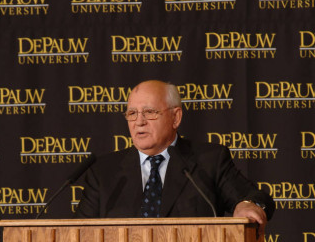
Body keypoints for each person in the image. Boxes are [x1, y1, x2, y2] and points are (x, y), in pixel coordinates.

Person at [77, 80, 275, 229]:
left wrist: (248, 205)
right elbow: (79, 234)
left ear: (175, 117)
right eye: (132, 114)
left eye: (149, 112)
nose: (139, 122)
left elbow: (256, 197)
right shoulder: (103, 172)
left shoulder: (208, 161)